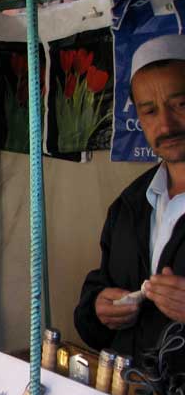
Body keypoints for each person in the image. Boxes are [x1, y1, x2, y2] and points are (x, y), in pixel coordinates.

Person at [75, 34, 185, 367]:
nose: (165, 124)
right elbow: (100, 292)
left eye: (181, 104)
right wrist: (98, 309)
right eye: (150, 111)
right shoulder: (129, 205)